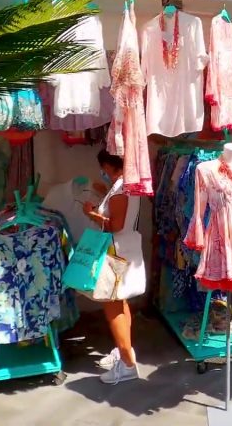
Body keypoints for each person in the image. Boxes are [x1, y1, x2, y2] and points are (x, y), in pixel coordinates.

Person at [83, 149, 145, 384]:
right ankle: (124, 352)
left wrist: (91, 214)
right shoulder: (127, 185)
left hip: (114, 252)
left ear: (109, 166)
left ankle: (128, 363)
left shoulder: (121, 190)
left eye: (104, 168)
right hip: (124, 250)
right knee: (121, 302)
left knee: (113, 306)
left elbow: (115, 225)